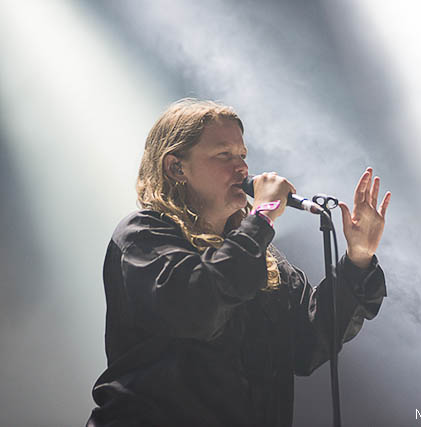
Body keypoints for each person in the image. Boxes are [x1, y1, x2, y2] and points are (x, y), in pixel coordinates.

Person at [86, 98, 391, 427]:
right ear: (176, 167)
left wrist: (358, 258)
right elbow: (196, 309)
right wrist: (260, 220)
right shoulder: (143, 237)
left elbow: (308, 344)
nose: (243, 169)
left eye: (243, 155)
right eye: (224, 155)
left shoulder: (263, 258)